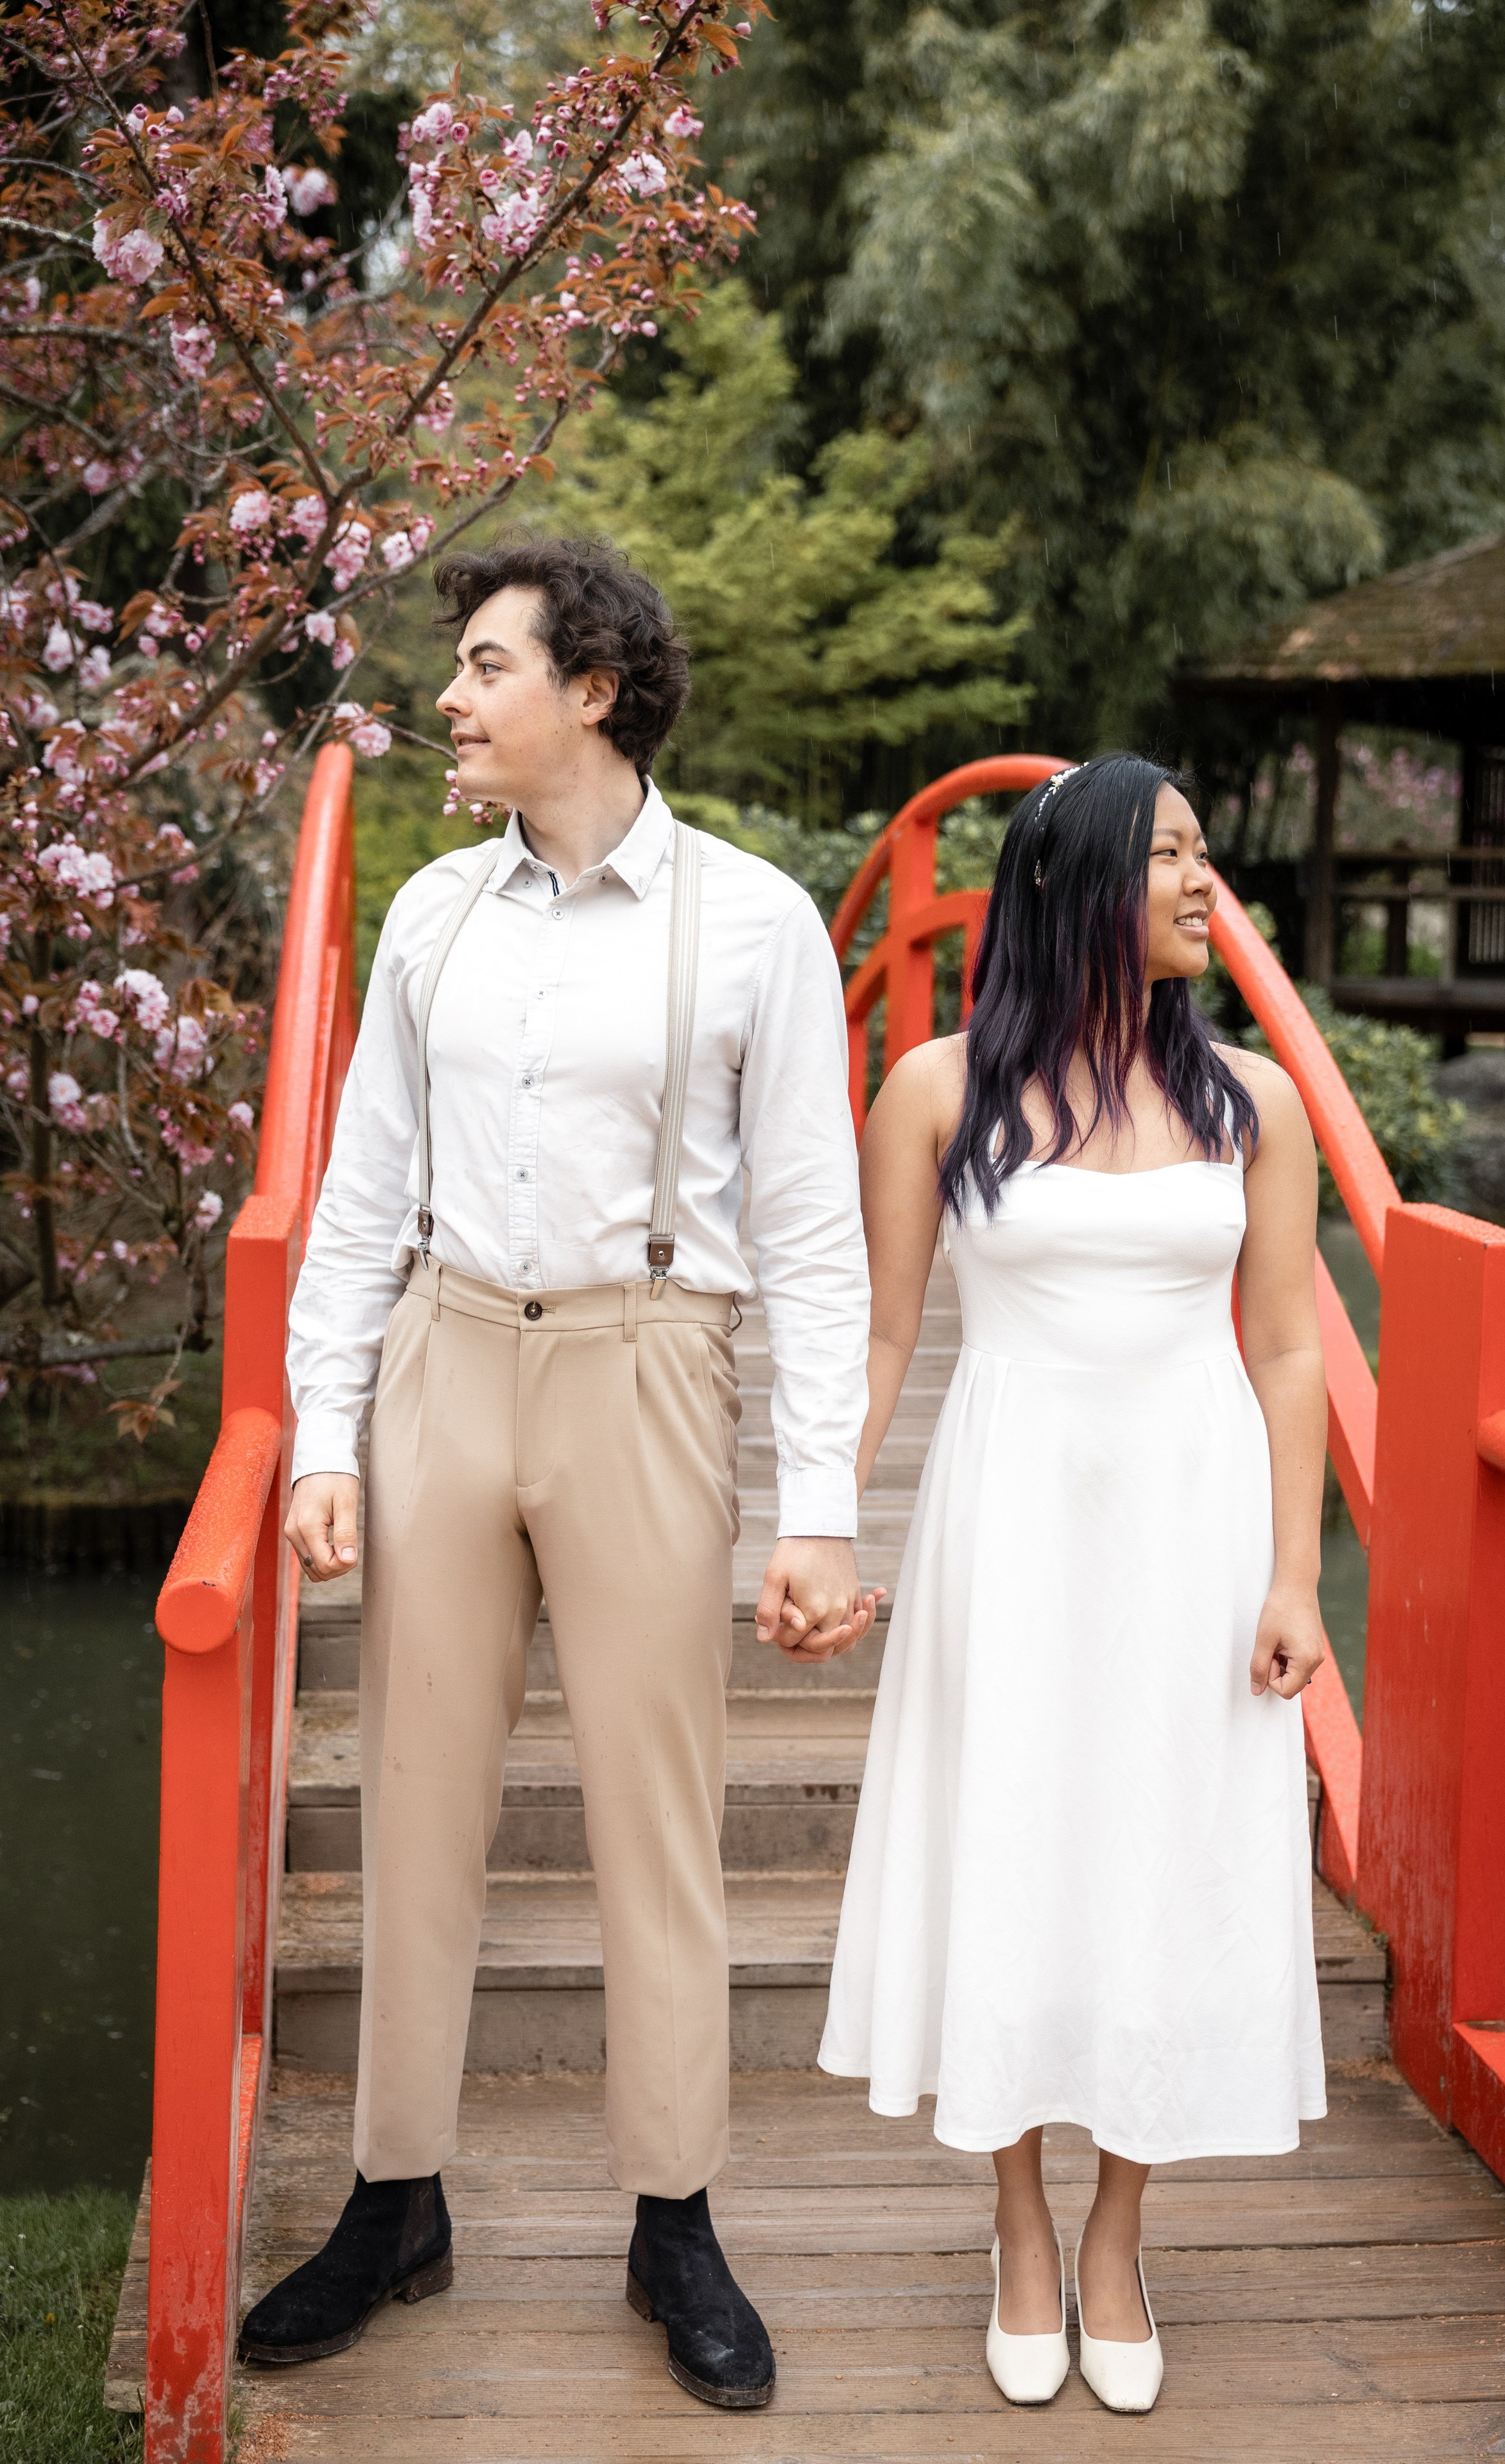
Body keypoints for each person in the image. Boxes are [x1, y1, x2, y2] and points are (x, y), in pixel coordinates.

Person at [237, 535, 875, 2409]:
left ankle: (675, 2217)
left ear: (592, 690)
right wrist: (323, 1431)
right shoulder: (430, 912)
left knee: (651, 1815)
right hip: (445, 1355)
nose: (452, 695)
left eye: (487, 664)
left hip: (646, 1362)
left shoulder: (753, 921)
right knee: (412, 1801)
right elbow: (358, 1198)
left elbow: (817, 1238)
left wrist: (820, 1501)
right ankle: (394, 2200)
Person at [818, 754, 1328, 2413]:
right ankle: (1019, 2226)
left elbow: (1289, 1349)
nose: (1204, 883)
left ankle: (1121, 2234)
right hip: (1012, 1510)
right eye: (1171, 855)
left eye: (1206, 852)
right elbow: (885, 1335)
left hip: (1195, 1518)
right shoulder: (936, 1092)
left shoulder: (1252, 1100)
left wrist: (1296, 1577)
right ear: (1075, 881)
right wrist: (814, 1517)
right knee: (1019, 1841)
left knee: (1162, 1858)